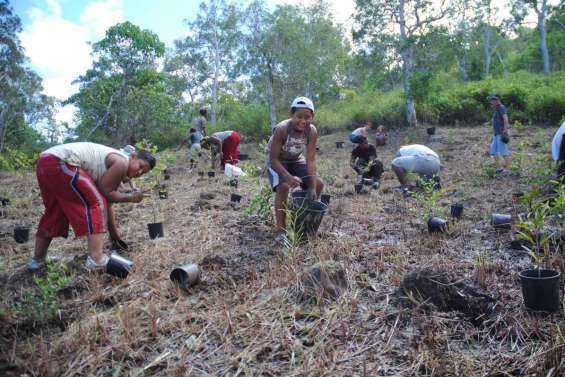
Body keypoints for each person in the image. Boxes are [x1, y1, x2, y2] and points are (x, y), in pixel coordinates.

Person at [27, 142, 156, 271]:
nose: (139, 172)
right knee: (96, 203)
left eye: (143, 172)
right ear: (133, 156)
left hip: (45, 162)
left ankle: (37, 259)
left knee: (55, 212)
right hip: (62, 161)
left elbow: (108, 204)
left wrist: (114, 237)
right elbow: (105, 195)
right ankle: (96, 259)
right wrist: (130, 198)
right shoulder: (122, 162)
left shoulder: (115, 166)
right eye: (140, 166)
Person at [268, 96, 324, 242]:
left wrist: (311, 186)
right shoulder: (281, 130)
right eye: (299, 116)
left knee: (318, 183)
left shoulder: (311, 131)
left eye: (307, 117)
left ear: (313, 117)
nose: (303, 121)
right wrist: (287, 176)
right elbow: (272, 159)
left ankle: (303, 220)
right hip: (278, 161)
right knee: (283, 188)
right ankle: (281, 230)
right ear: (290, 115)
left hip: (296, 159)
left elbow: (310, 159)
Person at [488, 93, 511, 172]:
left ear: (498, 100)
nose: (493, 101)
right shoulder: (496, 109)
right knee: (493, 151)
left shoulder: (501, 107)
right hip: (496, 134)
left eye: (495, 100)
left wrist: (505, 130)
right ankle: (499, 167)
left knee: (503, 152)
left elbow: (505, 118)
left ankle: (507, 169)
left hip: (501, 133)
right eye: (492, 100)